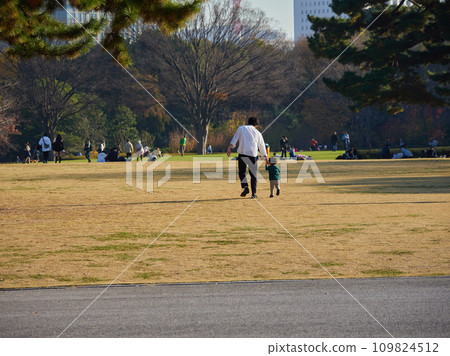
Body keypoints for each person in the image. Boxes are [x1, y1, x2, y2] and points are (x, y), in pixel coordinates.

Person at [227, 117, 268, 199]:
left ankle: (245, 187)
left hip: (242, 153)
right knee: (253, 174)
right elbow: (262, 145)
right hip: (253, 154)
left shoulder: (241, 128)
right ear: (256, 124)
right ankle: (254, 193)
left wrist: (229, 147)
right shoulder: (258, 133)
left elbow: (235, 139)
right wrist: (265, 156)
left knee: (241, 172)